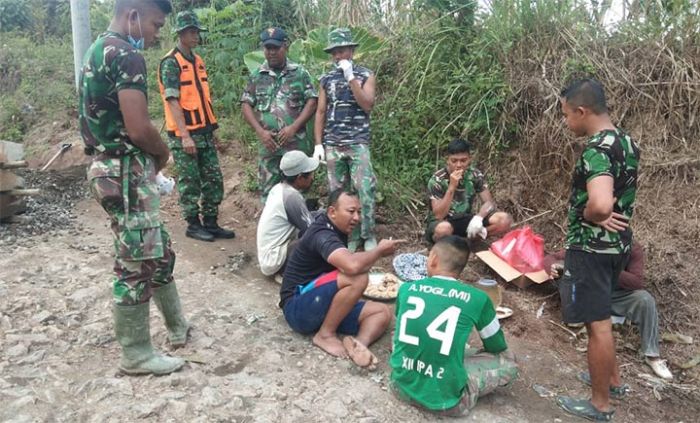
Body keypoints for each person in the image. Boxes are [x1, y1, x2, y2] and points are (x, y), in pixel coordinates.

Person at [78, 0, 189, 376]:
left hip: (109, 167)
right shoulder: (125, 54)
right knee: (136, 262)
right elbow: (139, 127)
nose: (157, 34)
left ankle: (177, 326)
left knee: (156, 247)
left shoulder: (97, 49)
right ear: (133, 15)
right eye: (156, 25)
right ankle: (137, 354)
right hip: (124, 170)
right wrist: (163, 155)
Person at [555, 78, 640, 421]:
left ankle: (599, 403)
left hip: (591, 247)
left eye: (565, 116)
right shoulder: (627, 142)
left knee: (597, 324)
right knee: (602, 315)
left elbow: (602, 204)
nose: (566, 122)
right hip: (617, 246)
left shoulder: (596, 148)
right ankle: (613, 381)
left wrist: (591, 213)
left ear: (581, 111)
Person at [390, 235, 518, 416]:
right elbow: (496, 346)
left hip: (400, 387)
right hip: (448, 403)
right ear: (462, 267)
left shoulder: (406, 289)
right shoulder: (478, 298)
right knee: (509, 361)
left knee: (400, 333)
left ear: (433, 258)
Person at [279, 189, 403, 364]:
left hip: (321, 303)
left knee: (382, 312)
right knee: (357, 277)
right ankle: (325, 334)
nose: (357, 218)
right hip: (297, 308)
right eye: (351, 211)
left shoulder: (338, 229)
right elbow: (352, 266)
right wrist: (379, 251)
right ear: (332, 212)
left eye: (359, 212)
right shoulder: (322, 233)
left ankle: (359, 345)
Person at [157, 10, 234, 242]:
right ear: (180, 34)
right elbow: (172, 101)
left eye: (196, 31)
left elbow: (203, 99)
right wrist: (185, 136)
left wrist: (214, 134)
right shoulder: (171, 63)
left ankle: (211, 222)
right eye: (191, 32)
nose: (196, 36)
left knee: (213, 179)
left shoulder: (197, 61)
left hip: (205, 132)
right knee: (190, 181)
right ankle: (193, 224)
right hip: (185, 134)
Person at [544, 243, 672, 380]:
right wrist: (552, 266)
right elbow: (551, 257)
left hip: (616, 296)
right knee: (567, 276)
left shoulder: (632, 249)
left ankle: (652, 356)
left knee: (645, 300)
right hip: (590, 294)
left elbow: (637, 282)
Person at [313, 28, 378, 252]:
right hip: (333, 143)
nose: (339, 56)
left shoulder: (365, 75)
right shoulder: (326, 79)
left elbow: (367, 104)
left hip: (357, 142)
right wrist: (318, 144)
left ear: (351, 50)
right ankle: (345, 235)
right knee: (338, 193)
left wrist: (351, 78)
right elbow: (321, 112)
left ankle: (367, 234)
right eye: (335, 52)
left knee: (364, 189)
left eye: (342, 51)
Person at [241, 27, 318, 202]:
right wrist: (260, 132)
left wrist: (293, 128)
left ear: (285, 47)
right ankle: (273, 227)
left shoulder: (300, 73)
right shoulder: (256, 76)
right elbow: (246, 104)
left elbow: (312, 101)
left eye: (276, 48)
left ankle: (301, 228)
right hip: (269, 146)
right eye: (268, 48)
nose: (272, 52)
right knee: (269, 193)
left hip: (295, 144)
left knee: (298, 193)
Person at [426, 138, 512, 244]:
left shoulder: (474, 175)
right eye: (454, 161)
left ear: (469, 159)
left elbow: (489, 203)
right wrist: (451, 187)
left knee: (504, 220)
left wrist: (479, 217)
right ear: (447, 160)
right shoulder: (437, 180)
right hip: (444, 221)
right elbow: (439, 215)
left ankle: (472, 239)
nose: (459, 165)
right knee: (444, 229)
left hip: (465, 219)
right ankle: (451, 244)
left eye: (463, 160)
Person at [257, 150, 319, 278]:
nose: (313, 177)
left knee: (320, 218)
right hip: (273, 260)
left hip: (269, 256)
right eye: (310, 174)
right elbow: (313, 231)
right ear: (300, 177)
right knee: (316, 238)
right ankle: (287, 273)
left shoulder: (279, 188)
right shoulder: (291, 197)